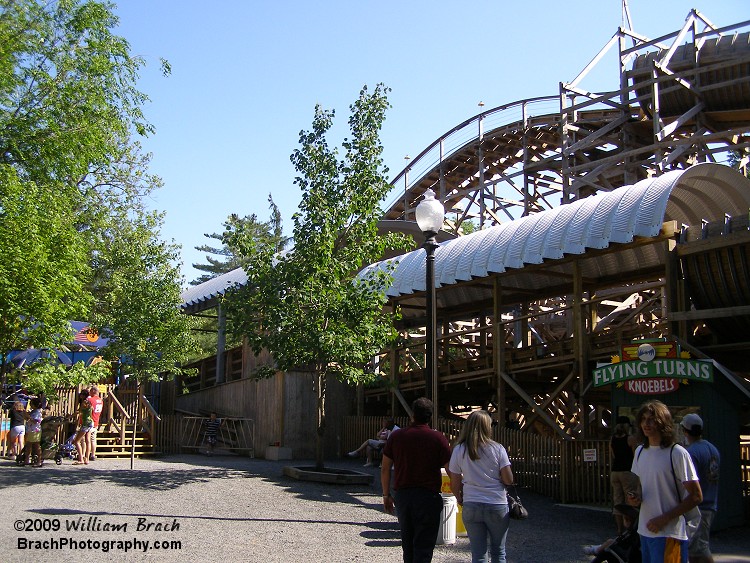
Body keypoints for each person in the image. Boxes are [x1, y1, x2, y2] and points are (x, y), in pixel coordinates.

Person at [627, 400, 702, 563]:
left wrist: (664, 518)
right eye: (643, 419)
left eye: (651, 419)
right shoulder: (640, 451)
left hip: (669, 533)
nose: (646, 423)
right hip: (645, 531)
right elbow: (642, 486)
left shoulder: (677, 453)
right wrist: (635, 498)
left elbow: (696, 496)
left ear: (663, 423)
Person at [381, 397, 451, 563]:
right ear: (430, 416)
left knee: (408, 544)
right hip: (428, 496)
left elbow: (385, 468)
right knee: (424, 547)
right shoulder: (438, 438)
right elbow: (450, 469)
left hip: (404, 495)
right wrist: (459, 492)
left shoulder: (397, 437)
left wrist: (386, 494)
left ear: (412, 415)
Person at [448, 410, 514, 563]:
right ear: (487, 427)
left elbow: (455, 481)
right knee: (499, 551)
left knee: (478, 554)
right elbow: (508, 479)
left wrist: (459, 497)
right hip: (496, 502)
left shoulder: (459, 449)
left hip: (472, 502)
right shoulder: (498, 449)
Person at [679, 413, 720, 563]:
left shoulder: (690, 453)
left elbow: (688, 482)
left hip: (697, 507)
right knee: (697, 548)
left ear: (685, 430)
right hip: (711, 502)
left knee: (699, 550)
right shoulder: (712, 449)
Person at [611, 415, 639, 534]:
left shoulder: (612, 439)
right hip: (627, 471)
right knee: (629, 499)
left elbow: (613, 455)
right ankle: (629, 527)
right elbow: (635, 456)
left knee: (617, 500)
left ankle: (619, 529)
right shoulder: (630, 439)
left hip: (615, 471)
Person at [73, 389, 93, 465]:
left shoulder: (84, 402)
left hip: (85, 423)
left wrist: (70, 416)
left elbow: (79, 412)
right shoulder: (90, 402)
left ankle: (81, 459)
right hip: (90, 422)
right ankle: (87, 459)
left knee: (76, 441)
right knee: (88, 441)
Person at [23, 398, 43, 467]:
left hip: (35, 430)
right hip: (30, 429)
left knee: (36, 445)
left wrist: (29, 417)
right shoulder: (33, 411)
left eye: (31, 404)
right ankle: (27, 459)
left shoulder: (37, 412)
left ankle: (39, 461)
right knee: (28, 445)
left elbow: (36, 421)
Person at [87, 386, 104, 461]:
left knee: (86, 440)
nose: (89, 393)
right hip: (96, 421)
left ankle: (86, 455)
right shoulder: (101, 400)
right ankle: (93, 454)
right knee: (93, 439)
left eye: (90, 391)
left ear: (93, 391)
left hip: (89, 421)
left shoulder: (90, 399)